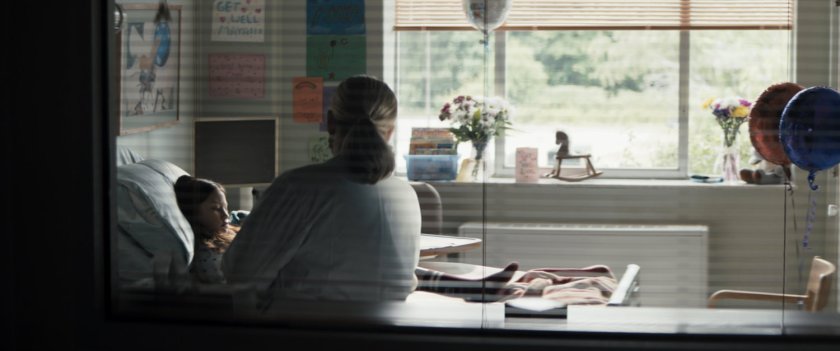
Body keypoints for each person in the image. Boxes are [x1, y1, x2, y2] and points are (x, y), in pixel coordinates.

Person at [222, 75, 520, 306]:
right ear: (390, 132)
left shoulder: (298, 187)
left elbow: (239, 271)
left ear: (330, 123)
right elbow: (385, 276)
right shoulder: (405, 195)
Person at [174, 175, 238, 285]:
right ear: (194, 212)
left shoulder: (224, 232)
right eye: (216, 208)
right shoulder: (208, 256)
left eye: (225, 207)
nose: (226, 215)